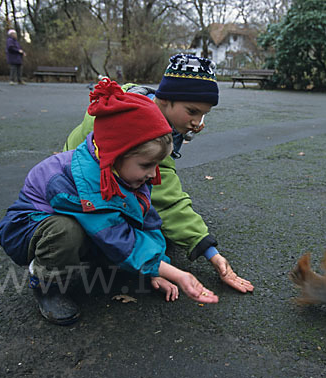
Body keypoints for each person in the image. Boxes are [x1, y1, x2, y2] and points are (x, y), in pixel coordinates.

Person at [0, 78, 219, 325]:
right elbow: (114, 234)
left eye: (157, 165)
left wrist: (157, 266)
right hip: (29, 228)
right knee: (66, 232)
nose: (153, 174)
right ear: (114, 156)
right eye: (146, 165)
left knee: (124, 224)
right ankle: (47, 284)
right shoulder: (87, 181)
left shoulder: (126, 173)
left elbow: (148, 223)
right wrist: (175, 273)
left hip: (89, 219)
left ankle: (91, 259)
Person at [64, 54, 254, 295]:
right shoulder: (136, 128)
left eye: (204, 115)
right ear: (165, 100)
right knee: (82, 237)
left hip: (110, 183)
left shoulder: (152, 112)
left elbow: (158, 188)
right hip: (79, 191)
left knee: (153, 226)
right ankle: (48, 283)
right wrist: (209, 251)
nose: (198, 123)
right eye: (192, 111)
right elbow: (166, 197)